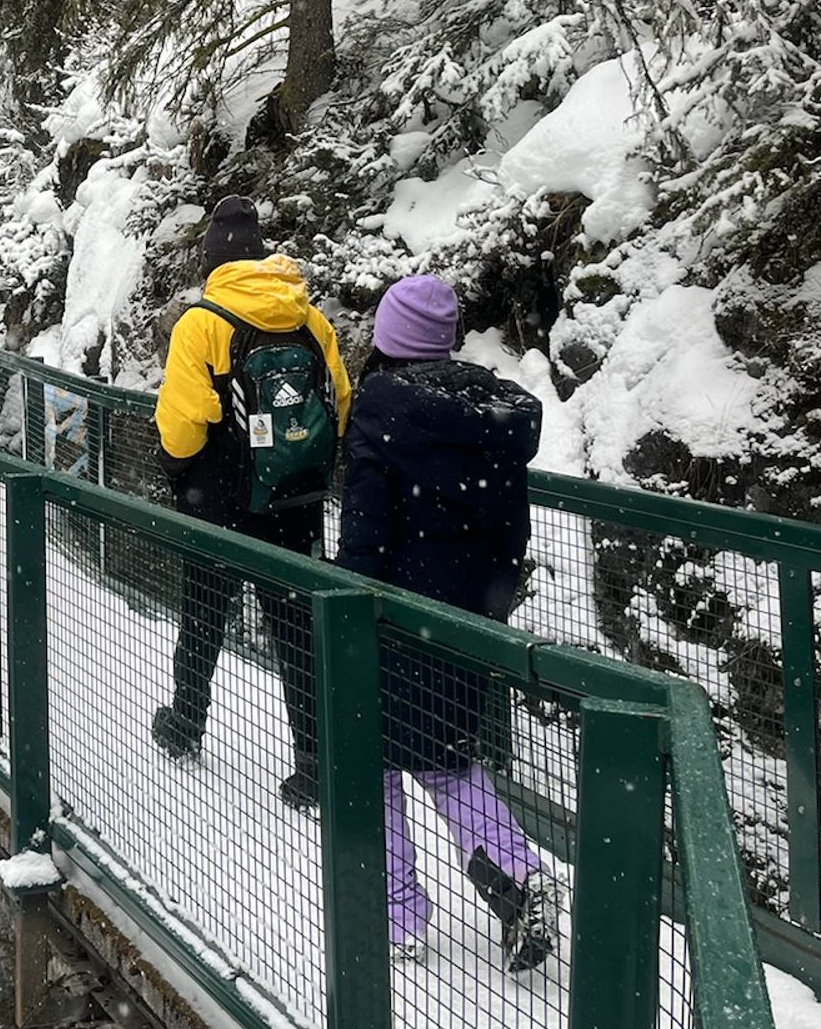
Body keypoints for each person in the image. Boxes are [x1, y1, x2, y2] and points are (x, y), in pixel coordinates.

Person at [335, 274, 558, 973]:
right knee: (446, 758)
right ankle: (519, 875)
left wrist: (349, 599)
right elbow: (512, 523)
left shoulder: (381, 406)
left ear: (389, 338)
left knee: (368, 761)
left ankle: (397, 916)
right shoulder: (496, 406)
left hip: (394, 615)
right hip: (468, 619)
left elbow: (367, 528)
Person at [150, 195, 350, 807]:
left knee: (204, 613)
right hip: (294, 499)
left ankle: (185, 724)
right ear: (263, 256)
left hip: (221, 501)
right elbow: (337, 405)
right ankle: (315, 761)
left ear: (213, 261)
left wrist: (175, 469)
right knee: (295, 627)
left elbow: (184, 425)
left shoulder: (203, 323)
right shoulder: (310, 320)